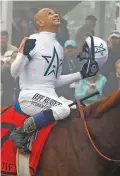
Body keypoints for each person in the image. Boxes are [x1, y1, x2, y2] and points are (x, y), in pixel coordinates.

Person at [9, 8, 106, 153]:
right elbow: (14, 72)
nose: (55, 15)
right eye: (49, 13)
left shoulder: (59, 47)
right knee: (63, 109)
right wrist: (23, 54)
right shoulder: (31, 41)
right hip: (29, 97)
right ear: (39, 22)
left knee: (80, 110)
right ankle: (21, 131)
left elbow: (55, 81)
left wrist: (82, 74)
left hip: (50, 96)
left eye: (55, 13)